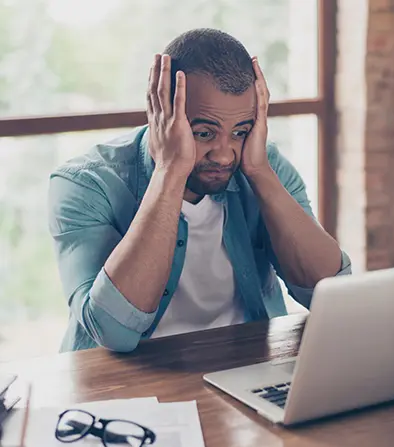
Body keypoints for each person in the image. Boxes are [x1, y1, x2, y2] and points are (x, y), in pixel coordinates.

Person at [48, 28, 351, 353]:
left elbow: (331, 295)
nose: (224, 154)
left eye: (239, 131)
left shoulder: (262, 164)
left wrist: (260, 173)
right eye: (204, 133)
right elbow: (113, 333)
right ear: (159, 111)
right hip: (128, 386)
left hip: (245, 370)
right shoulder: (84, 183)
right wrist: (169, 173)